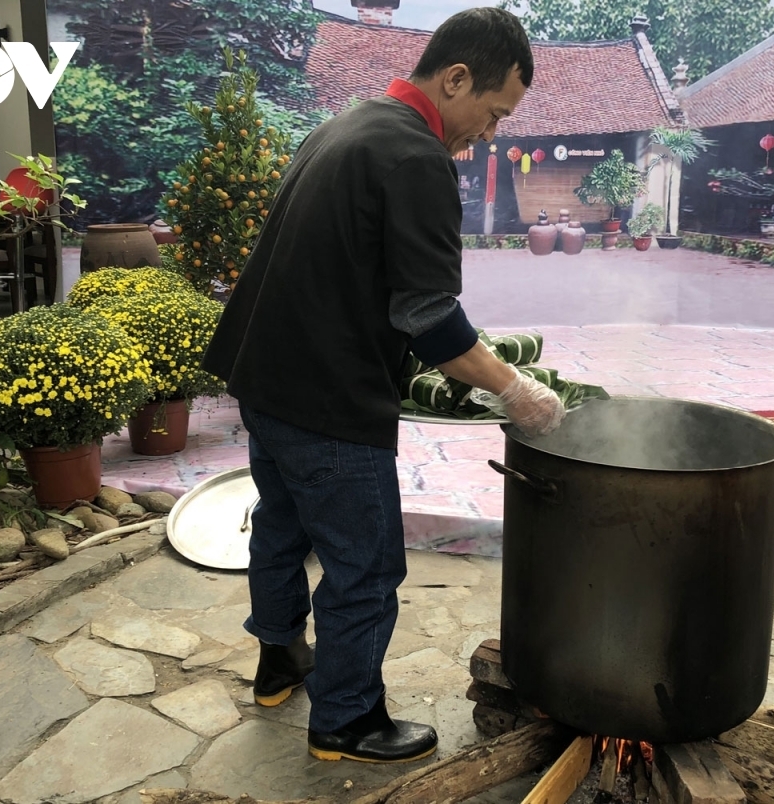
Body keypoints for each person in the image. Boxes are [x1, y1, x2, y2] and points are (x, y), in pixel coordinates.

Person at [201, 7, 567, 764]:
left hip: (263, 375)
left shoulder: (350, 124)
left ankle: (279, 664)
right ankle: (348, 719)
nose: (490, 133)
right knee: (365, 566)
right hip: (327, 396)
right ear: (456, 78)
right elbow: (429, 317)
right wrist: (514, 388)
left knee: (281, 527)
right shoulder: (414, 154)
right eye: (494, 113)